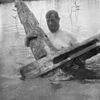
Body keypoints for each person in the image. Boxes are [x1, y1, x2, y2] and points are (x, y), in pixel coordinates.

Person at [45, 10, 80, 81]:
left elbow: (80, 51)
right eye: (48, 21)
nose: (50, 23)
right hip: (52, 69)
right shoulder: (46, 37)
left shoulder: (68, 35)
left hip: (69, 70)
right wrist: (27, 39)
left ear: (59, 19)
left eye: (52, 20)